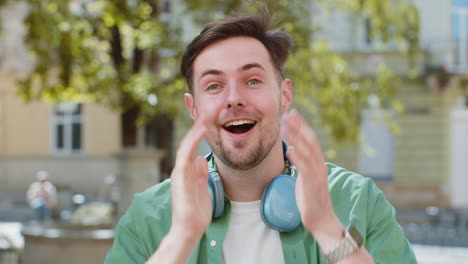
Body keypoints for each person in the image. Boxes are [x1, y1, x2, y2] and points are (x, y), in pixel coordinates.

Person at [105, 10, 417, 264]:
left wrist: (328, 229)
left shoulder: (357, 201)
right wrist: (181, 238)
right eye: (214, 86)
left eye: (252, 80)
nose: (233, 98)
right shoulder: (147, 217)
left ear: (284, 95)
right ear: (194, 108)